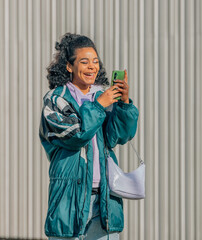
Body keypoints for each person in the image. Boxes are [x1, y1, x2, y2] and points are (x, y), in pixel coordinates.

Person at [39, 33, 139, 240]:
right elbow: (75, 136)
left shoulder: (101, 96)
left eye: (95, 61)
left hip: (104, 199)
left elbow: (118, 137)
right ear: (69, 66)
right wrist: (99, 105)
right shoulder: (55, 100)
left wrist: (124, 104)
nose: (92, 67)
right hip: (69, 198)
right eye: (84, 62)